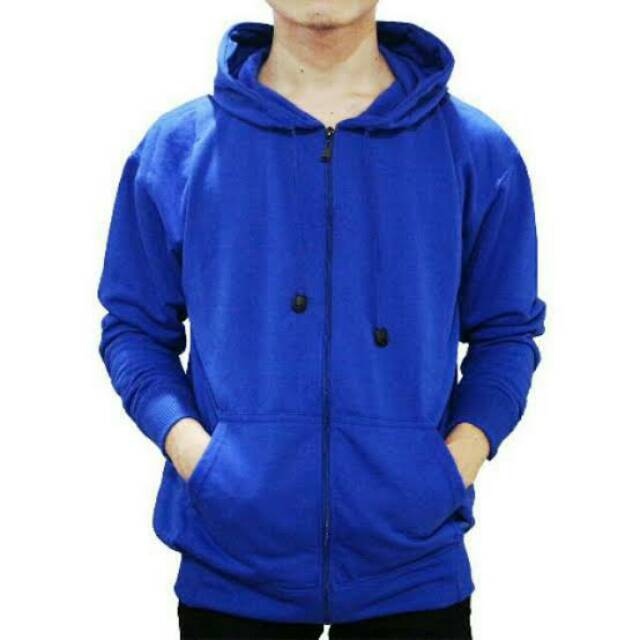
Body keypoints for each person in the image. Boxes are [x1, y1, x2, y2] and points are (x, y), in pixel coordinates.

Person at [97, 1, 545, 638]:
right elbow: (134, 327)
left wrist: (450, 468)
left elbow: (507, 332)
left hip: (416, 575)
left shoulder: (473, 150)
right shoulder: (179, 149)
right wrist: (201, 458)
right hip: (232, 575)